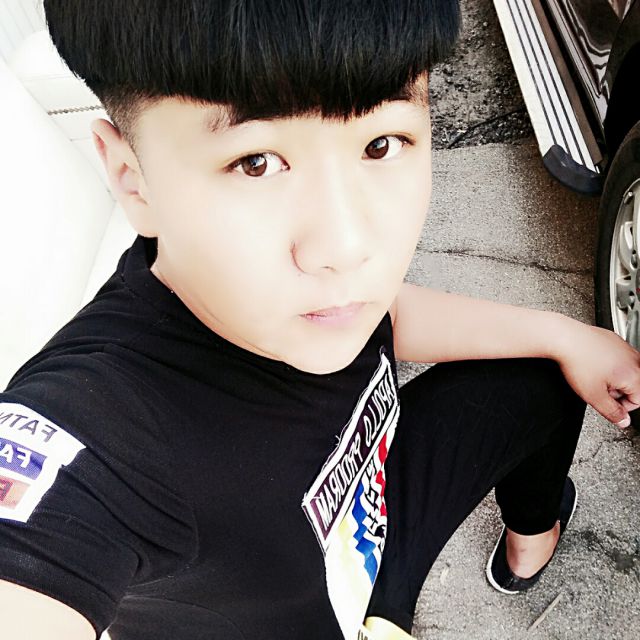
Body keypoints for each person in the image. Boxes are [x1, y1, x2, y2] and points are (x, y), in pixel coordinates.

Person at [0, 1, 638, 639]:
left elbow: (390, 313)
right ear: (132, 179)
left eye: (381, 144)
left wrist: (570, 336)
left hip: (373, 512)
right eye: (256, 162)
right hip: (323, 617)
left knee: (551, 370)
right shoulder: (102, 429)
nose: (346, 247)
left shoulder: (313, 296)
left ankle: (534, 529)